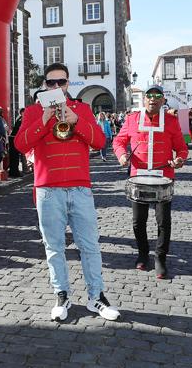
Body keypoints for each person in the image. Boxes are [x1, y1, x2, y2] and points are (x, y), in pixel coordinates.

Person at [15, 63, 120, 322]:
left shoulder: (82, 109)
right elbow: (20, 144)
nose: (56, 87)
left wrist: (77, 121)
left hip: (80, 188)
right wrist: (43, 119)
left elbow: (99, 141)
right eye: (50, 83)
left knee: (90, 246)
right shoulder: (32, 112)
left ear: (67, 84)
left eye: (61, 82)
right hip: (48, 190)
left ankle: (97, 297)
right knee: (54, 247)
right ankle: (61, 294)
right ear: (44, 87)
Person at [113, 85, 188, 278]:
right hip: (139, 177)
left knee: (163, 222)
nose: (153, 99)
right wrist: (122, 156)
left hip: (163, 177)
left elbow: (182, 148)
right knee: (139, 221)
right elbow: (118, 142)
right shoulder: (131, 119)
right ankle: (143, 254)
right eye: (149, 96)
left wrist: (179, 160)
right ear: (144, 100)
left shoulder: (171, 121)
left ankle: (160, 258)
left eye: (157, 96)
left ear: (163, 100)